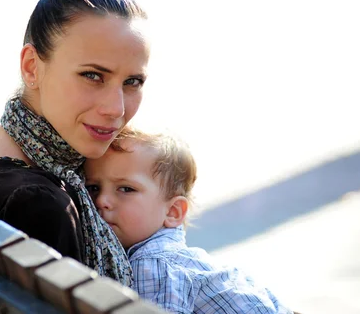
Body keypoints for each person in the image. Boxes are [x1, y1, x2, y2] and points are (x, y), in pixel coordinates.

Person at [0, 0, 151, 286]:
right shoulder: (39, 204)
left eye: (132, 82)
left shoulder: (0, 149)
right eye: (93, 75)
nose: (117, 109)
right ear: (32, 67)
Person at [84, 129, 294, 313]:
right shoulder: (175, 257)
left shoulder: (154, 264)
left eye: (126, 189)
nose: (102, 200)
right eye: (93, 188)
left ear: (173, 212)